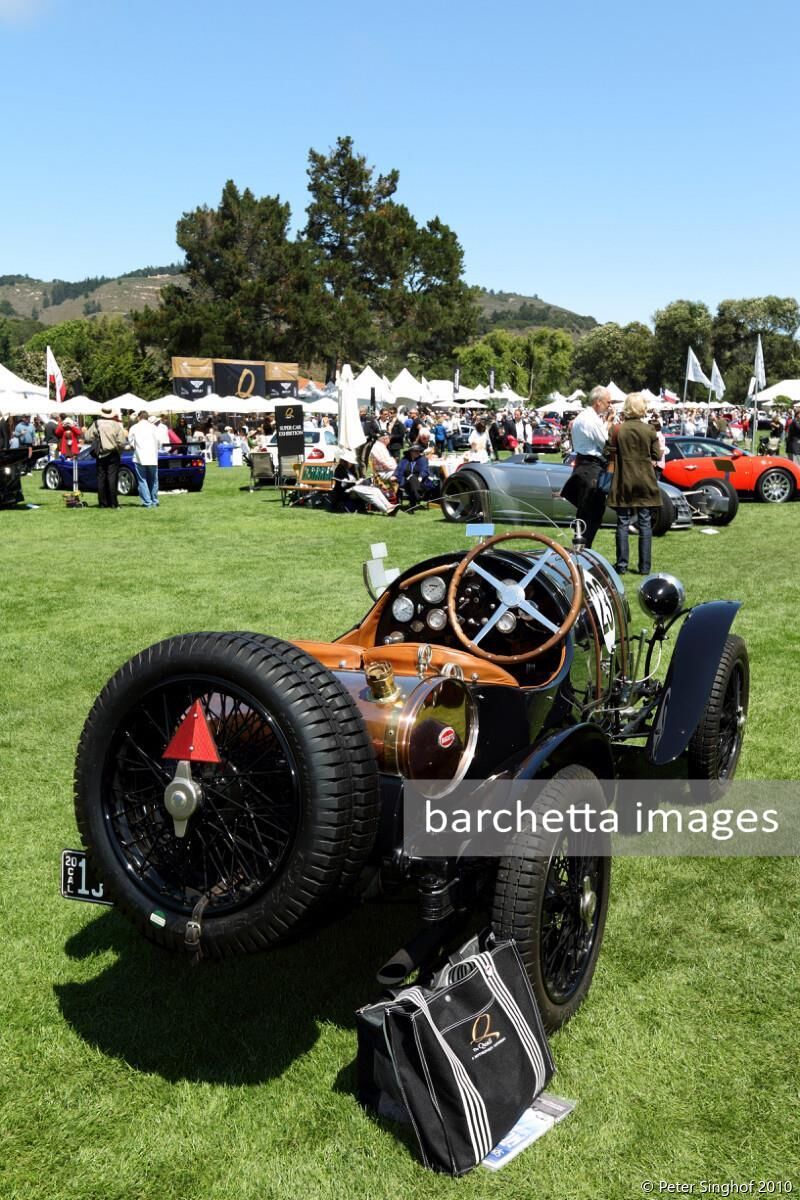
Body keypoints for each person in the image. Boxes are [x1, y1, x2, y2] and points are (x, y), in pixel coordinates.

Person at [608, 393, 661, 576]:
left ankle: (622, 565)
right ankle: (644, 567)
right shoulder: (649, 430)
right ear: (642, 408)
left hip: (624, 480)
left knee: (622, 523)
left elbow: (609, 451)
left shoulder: (617, 429)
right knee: (645, 523)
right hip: (645, 480)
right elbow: (657, 455)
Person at [560, 386, 614, 548]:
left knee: (585, 512)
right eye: (608, 402)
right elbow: (605, 443)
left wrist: (608, 423)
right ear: (598, 402)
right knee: (593, 512)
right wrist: (610, 426)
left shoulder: (585, 417)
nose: (610, 406)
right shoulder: (590, 419)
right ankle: (584, 549)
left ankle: (581, 546)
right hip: (591, 468)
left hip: (584, 465)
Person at [92, 404, 127, 508]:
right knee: (112, 478)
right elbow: (121, 442)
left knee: (101, 478)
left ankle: (102, 503)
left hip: (101, 453)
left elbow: (87, 436)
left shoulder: (96, 424)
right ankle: (113, 503)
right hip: (113, 453)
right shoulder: (116, 425)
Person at [127, 409, 162, 508]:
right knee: (154, 480)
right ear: (147, 418)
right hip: (152, 457)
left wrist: (135, 446)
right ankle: (154, 500)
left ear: (139, 417)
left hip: (139, 456)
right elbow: (159, 442)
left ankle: (147, 502)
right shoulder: (154, 427)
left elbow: (131, 442)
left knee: (142, 480)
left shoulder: (134, 427)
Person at [395, 443, 438, 509]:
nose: (418, 452)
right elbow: (399, 469)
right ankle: (416, 496)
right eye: (416, 451)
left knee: (413, 478)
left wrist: (420, 477)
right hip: (406, 482)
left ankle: (413, 501)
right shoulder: (405, 460)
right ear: (411, 452)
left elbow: (424, 470)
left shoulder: (423, 459)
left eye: (419, 451)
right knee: (411, 478)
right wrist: (395, 475)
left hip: (421, 482)